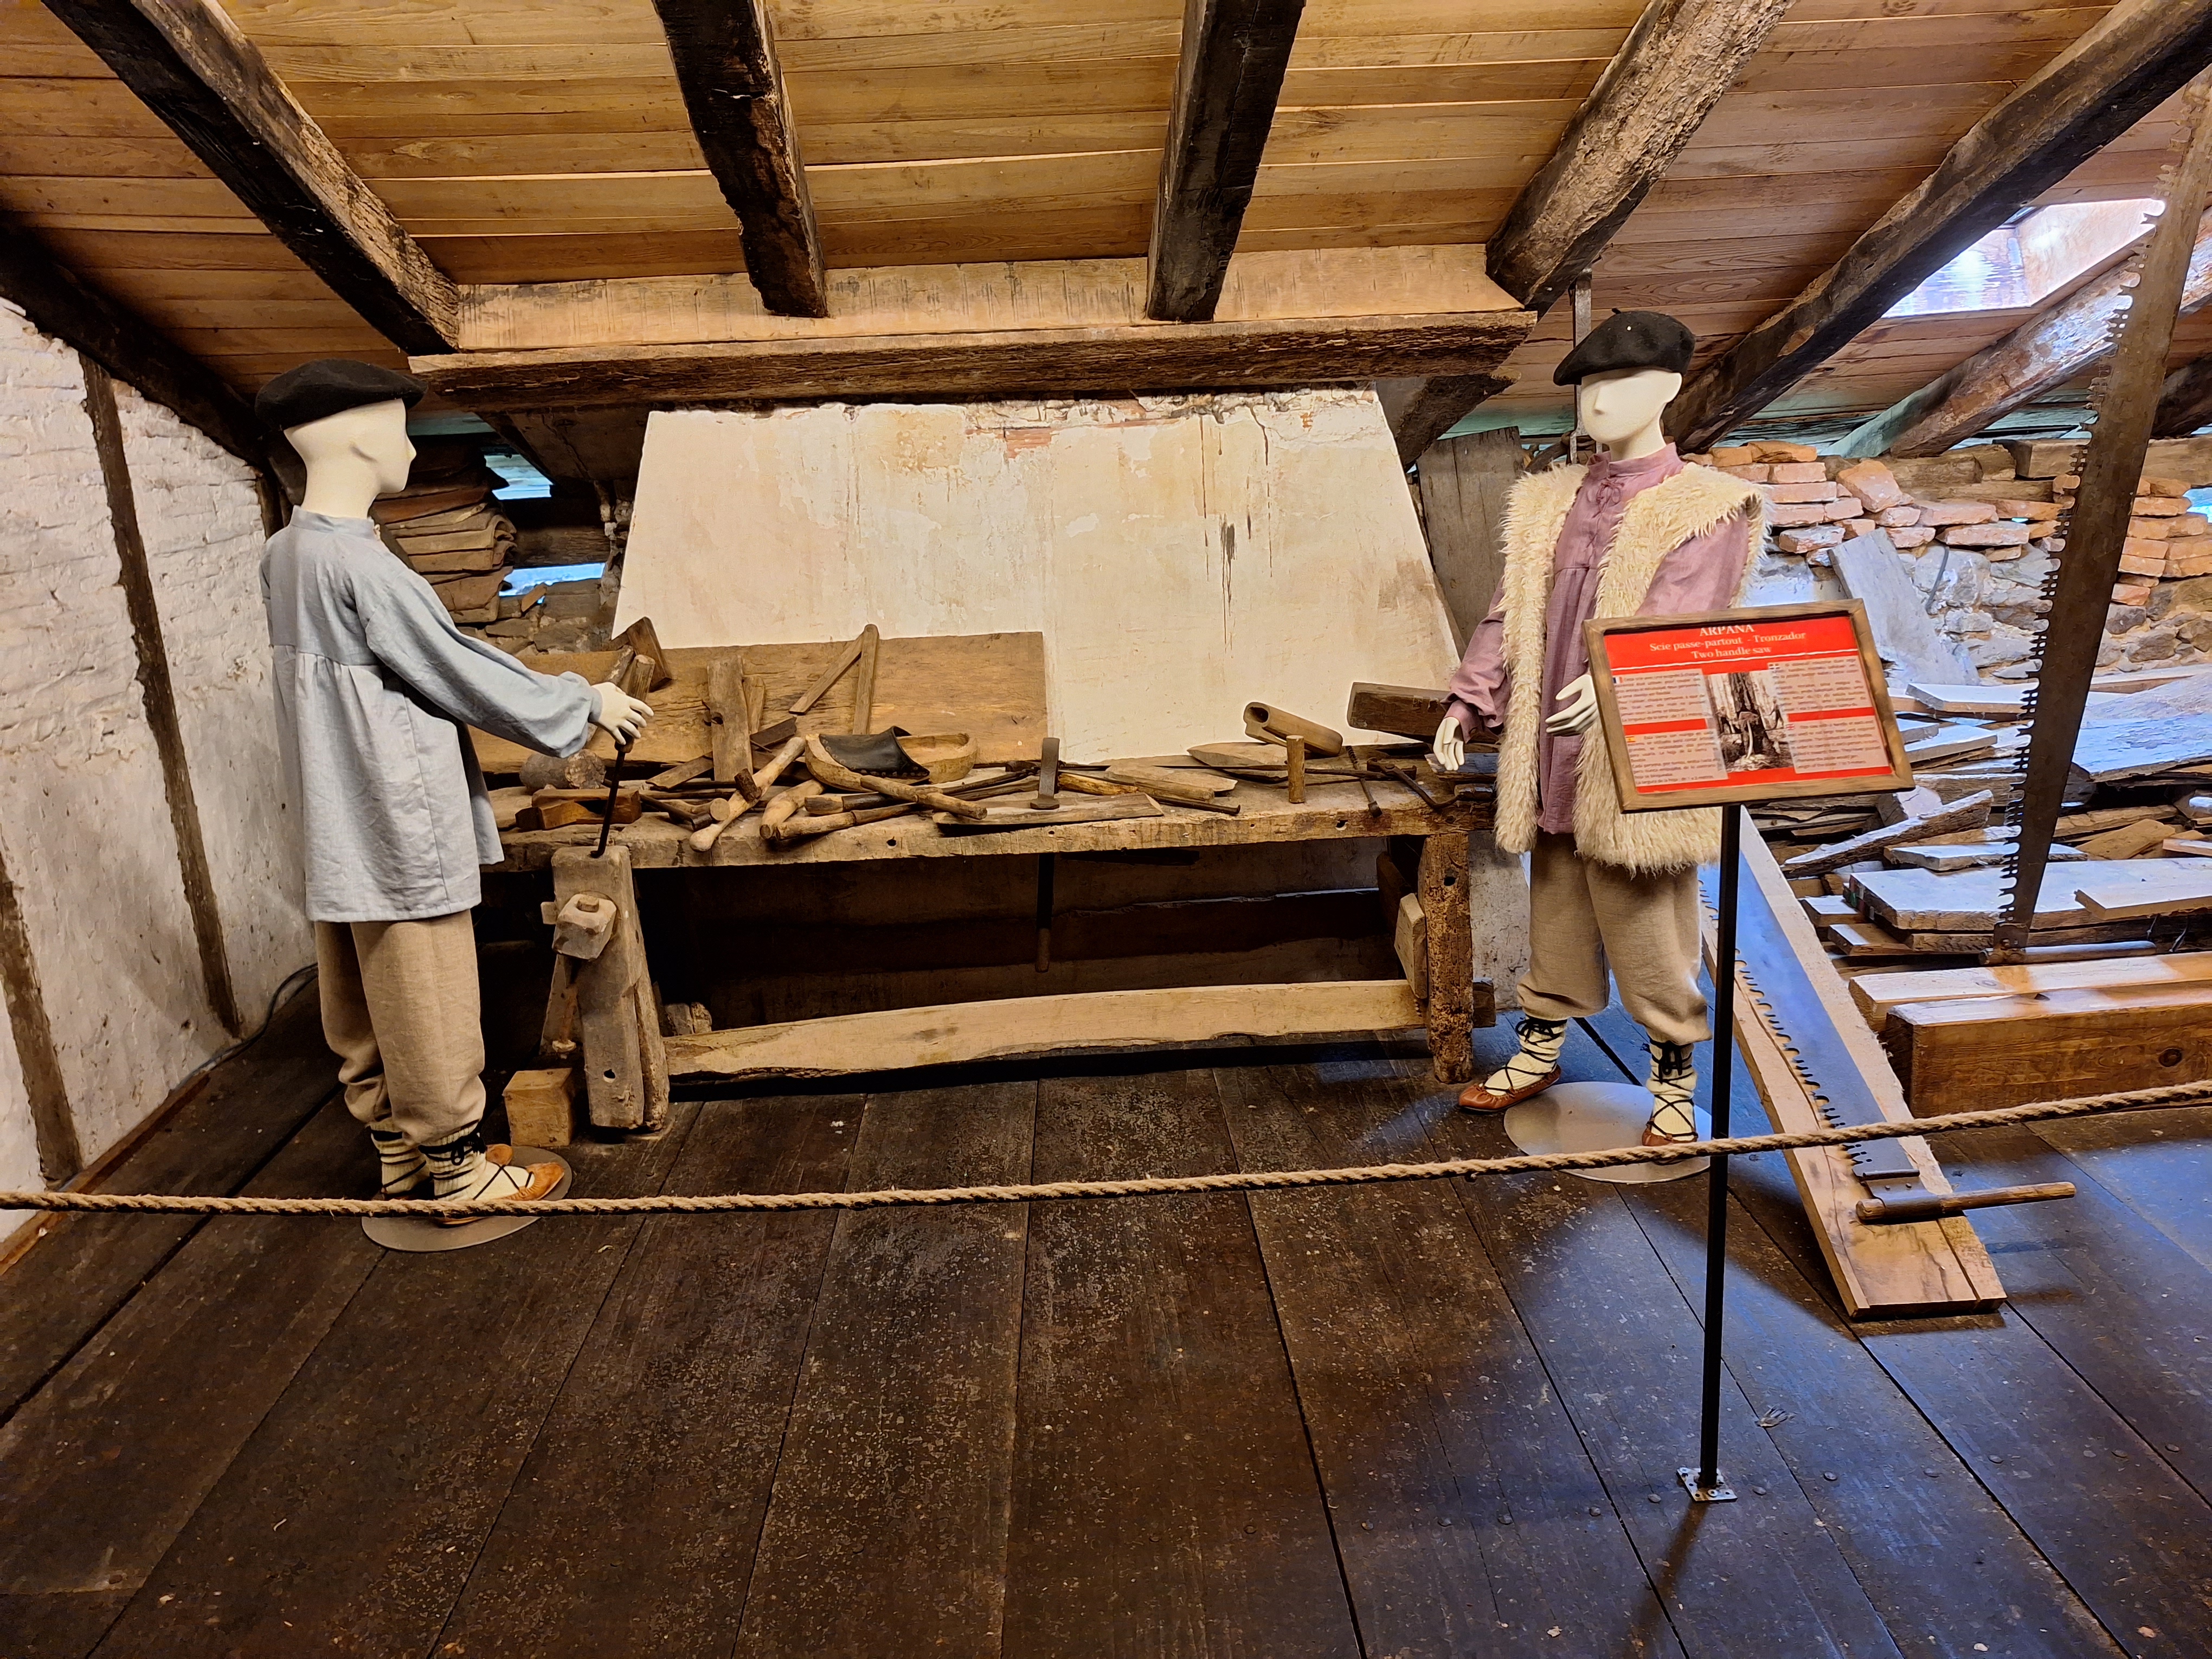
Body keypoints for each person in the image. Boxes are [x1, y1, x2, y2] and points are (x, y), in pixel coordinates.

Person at [255, 359, 655, 1220]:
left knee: (360, 979)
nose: (408, 449)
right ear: (361, 438)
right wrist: (582, 701)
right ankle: (459, 1169)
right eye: (399, 430)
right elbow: (453, 666)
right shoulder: (361, 566)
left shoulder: (287, 553)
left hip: (337, 809)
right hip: (395, 808)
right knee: (425, 983)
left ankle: (398, 1152)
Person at [1432, 313, 1761, 1146]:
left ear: (1670, 387)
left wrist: (1614, 685)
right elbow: (1507, 615)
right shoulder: (1547, 501)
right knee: (1558, 909)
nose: (1599, 402)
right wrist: (1467, 702)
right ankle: (1539, 1052)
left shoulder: (1707, 507)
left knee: (1649, 923)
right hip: (1553, 741)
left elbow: (1683, 619)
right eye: (1588, 386)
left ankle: (1674, 1082)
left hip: (1642, 748)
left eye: (1620, 382)